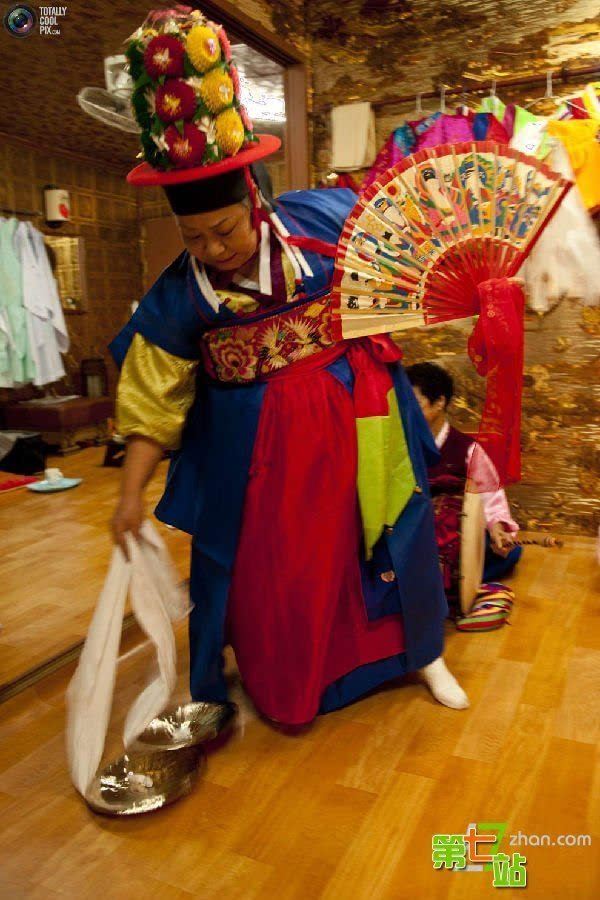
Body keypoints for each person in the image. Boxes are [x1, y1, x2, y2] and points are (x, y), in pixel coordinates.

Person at [107, 6, 469, 724]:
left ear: (254, 200)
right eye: (194, 237)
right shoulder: (180, 294)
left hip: (357, 410)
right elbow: (153, 400)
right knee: (283, 572)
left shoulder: (324, 220)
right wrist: (128, 494)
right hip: (259, 455)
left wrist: (470, 291)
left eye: (225, 230)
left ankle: (422, 652)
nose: (215, 249)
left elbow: (408, 253)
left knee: (392, 528)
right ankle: (291, 681)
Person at [405, 362, 522, 601]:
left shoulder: (467, 449)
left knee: (508, 551)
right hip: (412, 533)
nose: (406, 411)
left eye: (414, 404)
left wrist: (498, 529)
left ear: (439, 402)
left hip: (454, 538)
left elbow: (490, 498)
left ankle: (449, 581)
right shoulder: (396, 446)